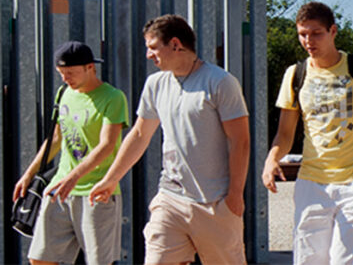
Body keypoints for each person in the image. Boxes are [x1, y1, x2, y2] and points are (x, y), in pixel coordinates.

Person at [89, 15, 250, 264]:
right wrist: (111, 179)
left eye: (153, 47)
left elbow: (241, 141)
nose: (148, 55)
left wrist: (234, 196)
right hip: (170, 198)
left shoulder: (220, 82)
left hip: (215, 203)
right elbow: (140, 134)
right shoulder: (155, 84)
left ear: (175, 44)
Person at [261, 2, 353, 265]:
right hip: (312, 185)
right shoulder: (294, 74)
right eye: (302, 34)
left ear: (333, 31)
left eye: (316, 33)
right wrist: (272, 158)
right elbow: (285, 134)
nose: (308, 41)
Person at [13, 42, 128, 265]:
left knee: (99, 262)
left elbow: (107, 145)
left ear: (90, 68)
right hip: (59, 188)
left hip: (97, 191)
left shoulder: (113, 98)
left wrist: (73, 176)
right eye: (61, 74)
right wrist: (29, 174)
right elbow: (55, 139)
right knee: (39, 258)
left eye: (71, 73)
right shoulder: (64, 92)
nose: (66, 79)